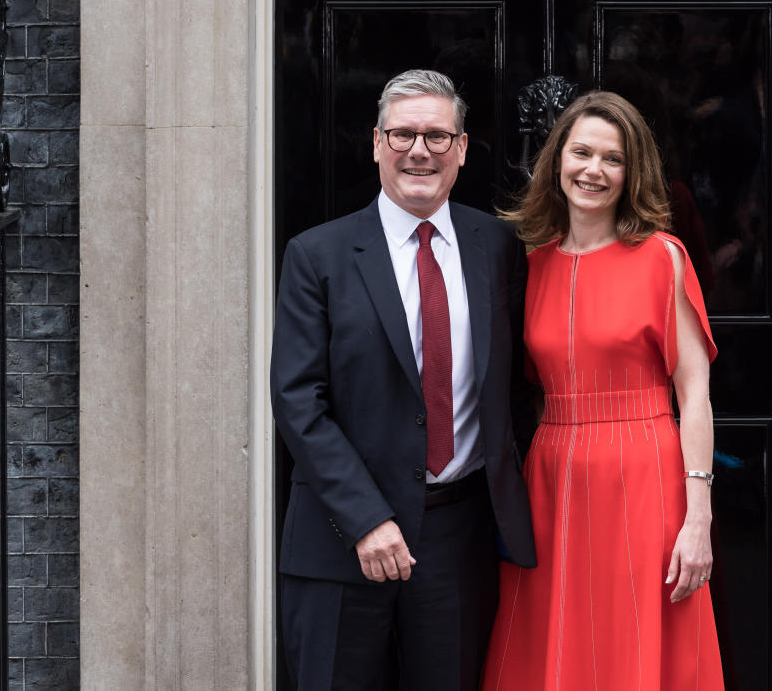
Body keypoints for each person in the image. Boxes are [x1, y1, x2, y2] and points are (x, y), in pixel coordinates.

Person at [271, 69, 536, 691]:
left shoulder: (498, 246)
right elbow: (298, 401)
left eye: (438, 137)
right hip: (341, 538)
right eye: (403, 135)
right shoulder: (317, 255)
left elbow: (521, 384)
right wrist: (366, 519)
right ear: (376, 143)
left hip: (457, 536)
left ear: (463, 149)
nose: (420, 151)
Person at [482, 90, 724, 690]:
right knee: (550, 648)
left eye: (612, 159)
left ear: (631, 170)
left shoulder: (661, 257)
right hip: (552, 479)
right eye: (581, 152)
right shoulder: (530, 263)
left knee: (633, 644)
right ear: (556, 161)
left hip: (645, 473)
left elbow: (694, 392)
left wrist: (699, 520)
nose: (593, 170)